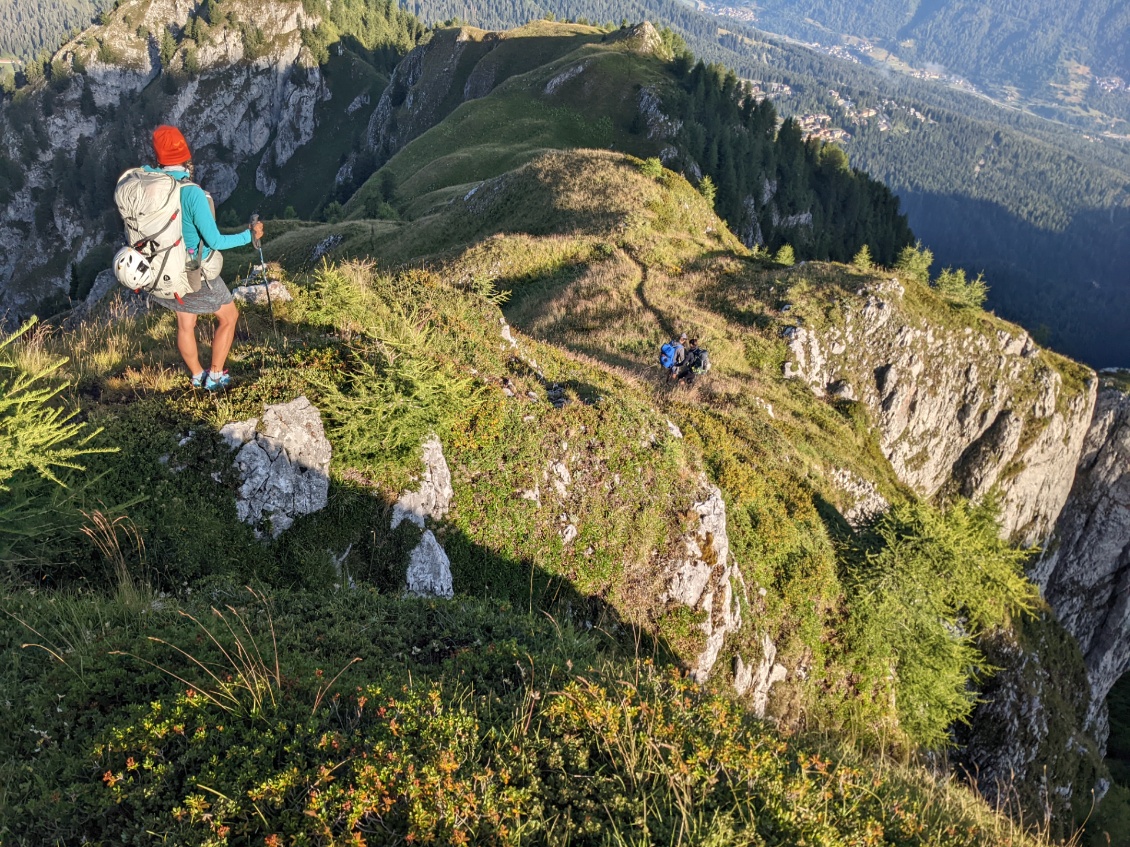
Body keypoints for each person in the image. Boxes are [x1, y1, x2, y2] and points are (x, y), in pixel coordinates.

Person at [146, 125, 264, 391]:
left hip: (162, 272)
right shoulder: (192, 193)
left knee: (185, 322)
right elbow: (215, 242)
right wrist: (250, 235)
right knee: (229, 317)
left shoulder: (150, 187)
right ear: (187, 159)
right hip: (193, 273)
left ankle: (197, 375)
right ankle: (215, 377)